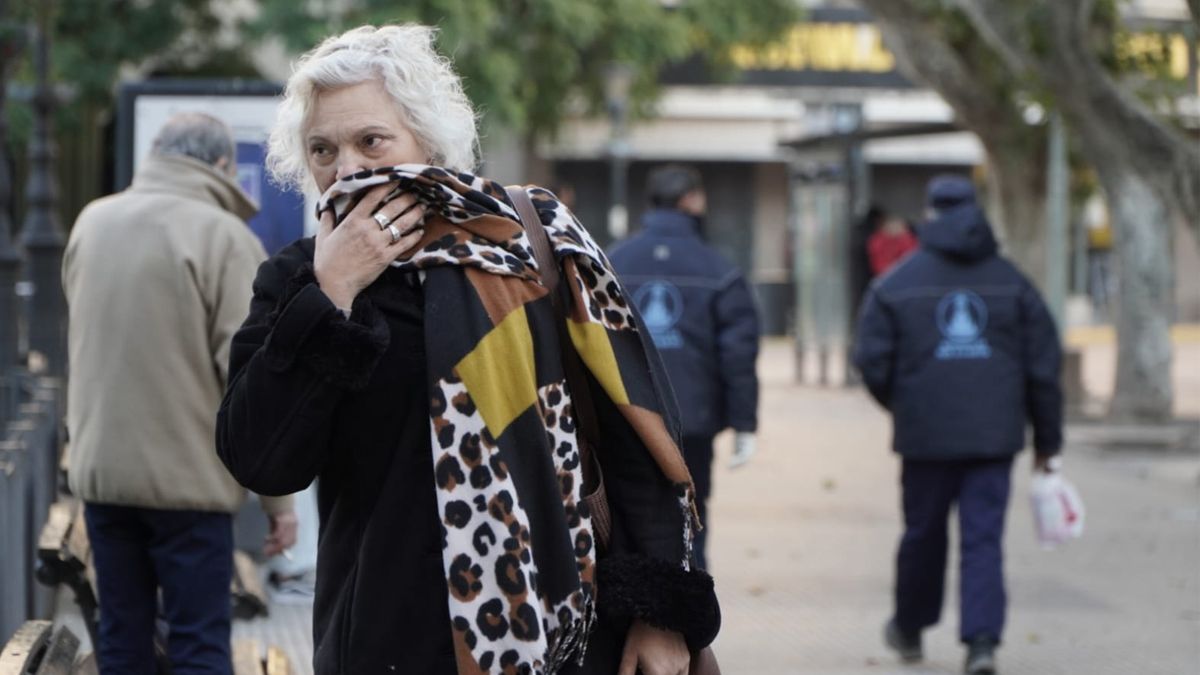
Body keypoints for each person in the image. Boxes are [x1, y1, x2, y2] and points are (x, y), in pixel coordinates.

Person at [216, 25, 719, 675]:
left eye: (371, 140)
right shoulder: (297, 280)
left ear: (427, 135)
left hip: (562, 629)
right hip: (385, 639)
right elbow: (259, 458)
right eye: (321, 149)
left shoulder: (534, 244)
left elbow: (636, 438)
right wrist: (332, 290)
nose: (345, 168)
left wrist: (661, 615)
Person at [63, 112, 297, 674]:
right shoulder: (223, 238)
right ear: (221, 166)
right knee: (198, 647)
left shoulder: (92, 222)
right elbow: (249, 382)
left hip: (103, 479)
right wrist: (279, 504)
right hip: (187, 488)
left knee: (122, 642)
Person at [852, 175, 1063, 675]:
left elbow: (872, 360)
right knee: (983, 538)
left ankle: (909, 628)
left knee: (922, 533)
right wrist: (1046, 441)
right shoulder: (1013, 283)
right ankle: (982, 642)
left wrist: (904, 405)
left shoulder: (898, 283)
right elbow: (1043, 370)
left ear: (929, 214)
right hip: (994, 437)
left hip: (925, 434)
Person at [607, 165, 761, 572]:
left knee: (629, 520)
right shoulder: (720, 271)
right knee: (691, 521)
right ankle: (690, 621)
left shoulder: (611, 261)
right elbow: (738, 356)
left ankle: (636, 622)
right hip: (692, 421)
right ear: (691, 200)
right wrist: (743, 423)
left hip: (627, 416)